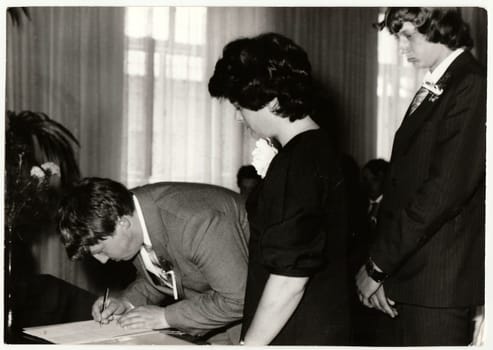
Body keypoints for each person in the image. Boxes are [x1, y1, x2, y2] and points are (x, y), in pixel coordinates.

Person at [209, 32, 350, 345]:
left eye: (240, 106)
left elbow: (289, 281)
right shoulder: (320, 150)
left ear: (272, 100)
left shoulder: (296, 163)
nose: (237, 116)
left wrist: (250, 345)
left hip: (297, 332)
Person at [356, 8, 485, 346]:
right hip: (414, 278)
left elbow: (442, 193)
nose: (401, 47)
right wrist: (389, 274)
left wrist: (377, 267)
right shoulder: (442, 82)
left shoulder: (471, 83)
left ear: (440, 27)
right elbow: (403, 188)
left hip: (438, 285)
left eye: (407, 35)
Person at [57, 177, 250, 344]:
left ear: (122, 224)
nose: (102, 260)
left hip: (255, 324)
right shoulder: (132, 213)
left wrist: (166, 317)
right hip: (213, 318)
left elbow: (238, 299)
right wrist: (126, 303)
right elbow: (165, 275)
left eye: (101, 250)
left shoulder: (195, 222)